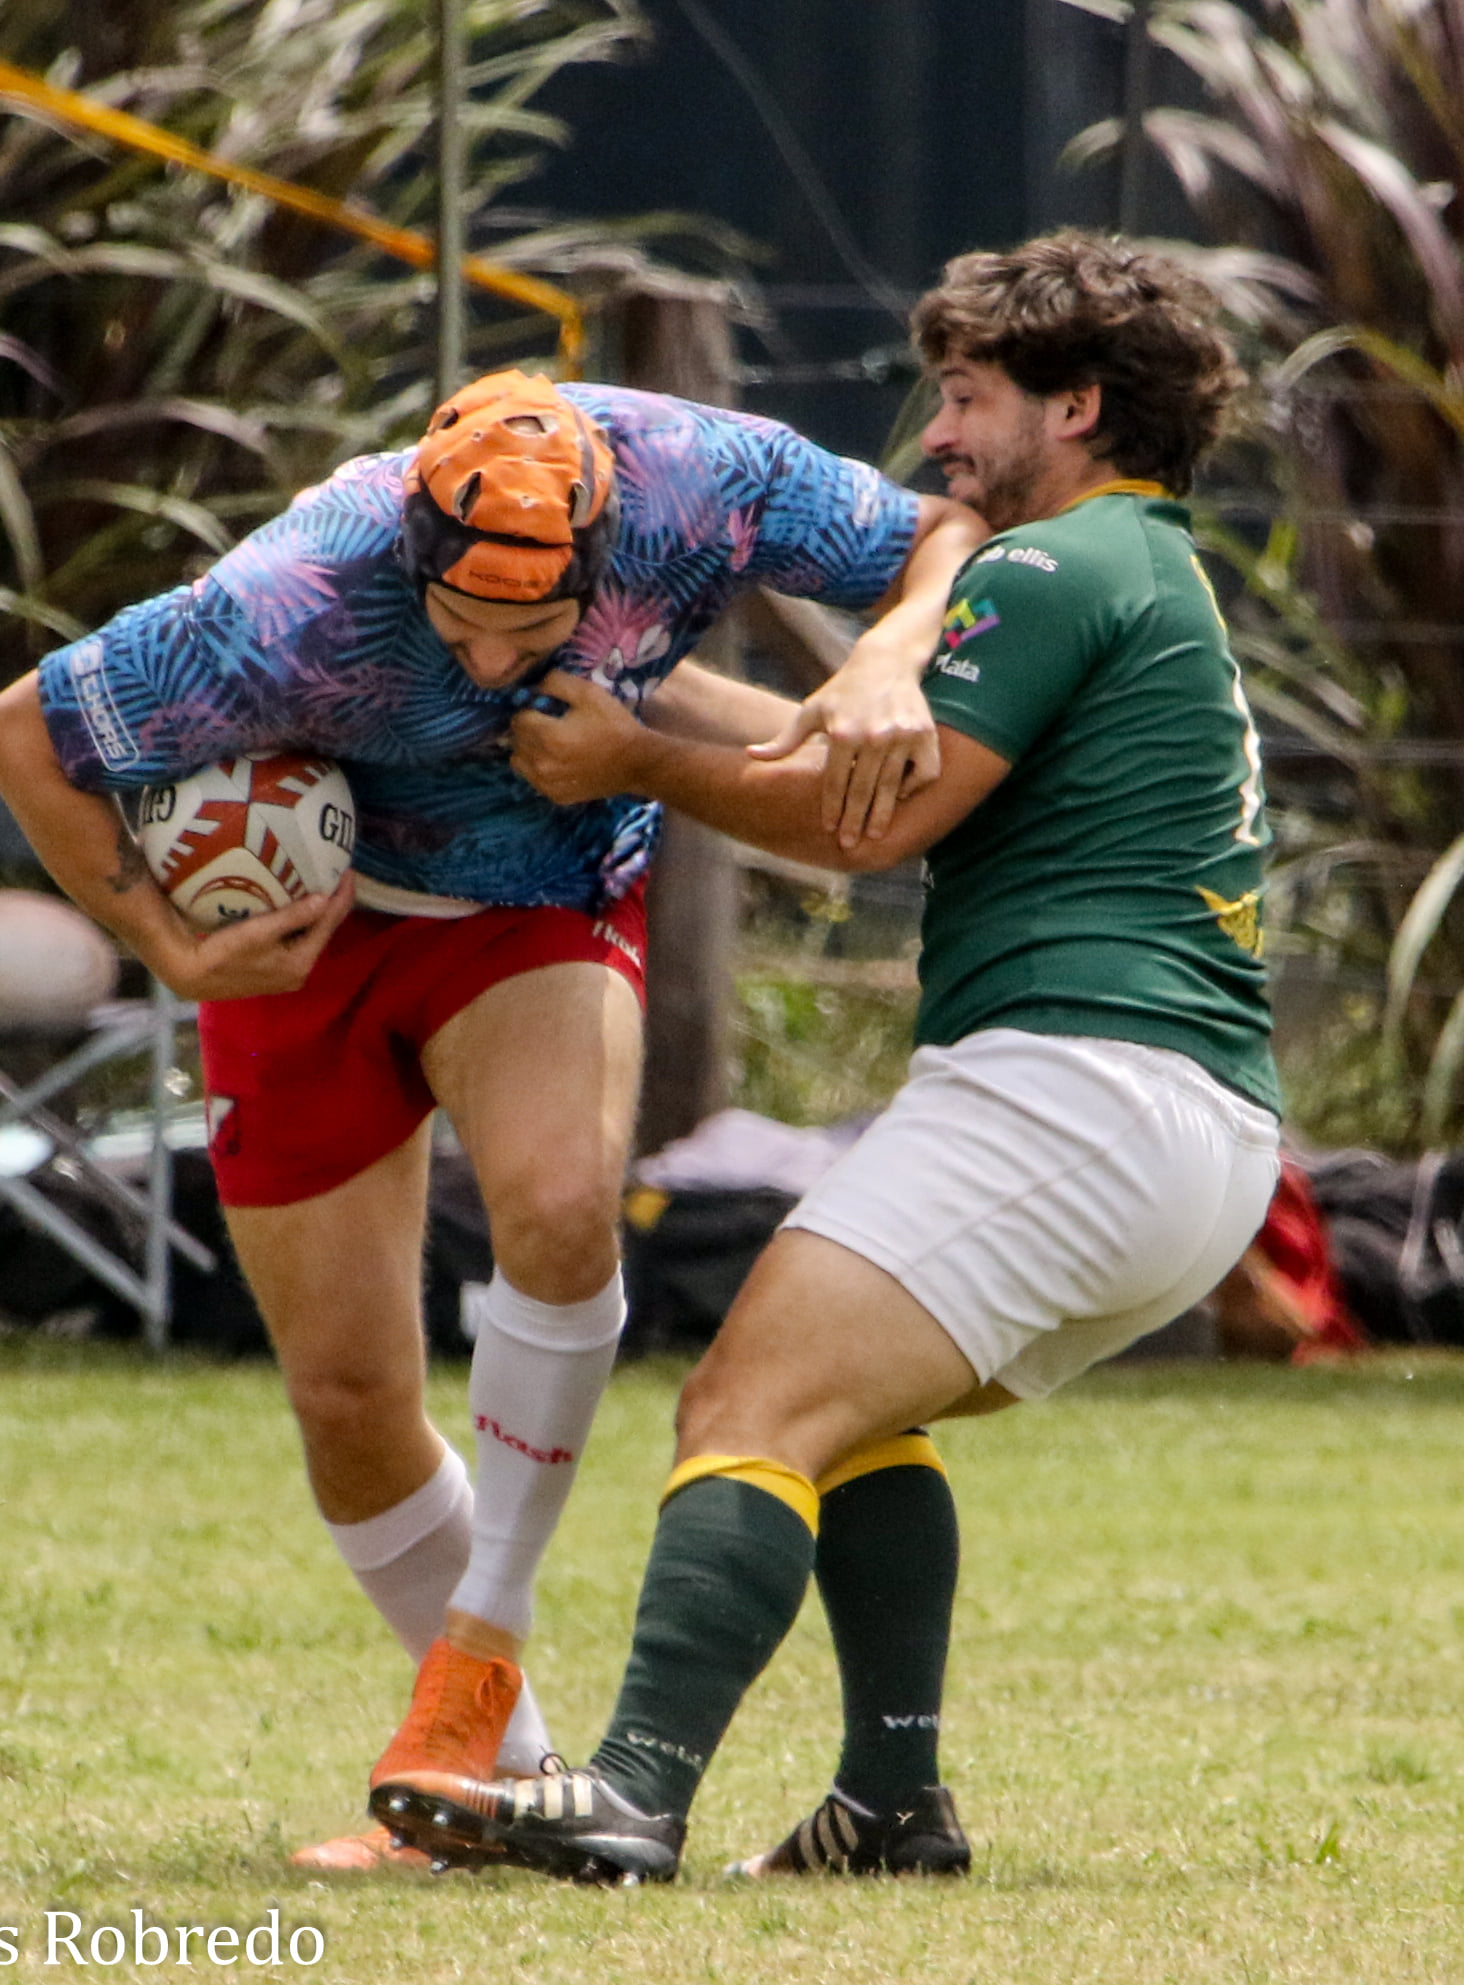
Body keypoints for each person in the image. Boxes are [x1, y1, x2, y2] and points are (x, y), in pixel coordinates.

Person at [0, 367, 987, 1870]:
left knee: (567, 1201)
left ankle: (477, 1649)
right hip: (304, 933)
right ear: (411, 555)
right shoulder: (289, 597)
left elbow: (948, 528)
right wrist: (175, 948)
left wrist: (896, 645)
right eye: (470, 625)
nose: (507, 652)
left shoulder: (695, 477)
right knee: (346, 1399)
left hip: (539, 900)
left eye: (541, 622)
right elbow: (21, 736)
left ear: (607, 544)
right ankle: (490, 1783)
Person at [372, 231, 1284, 1884]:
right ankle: (891, 1802)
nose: (936, 439)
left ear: (1075, 407)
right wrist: (648, 694)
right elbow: (821, 741)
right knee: (854, 1420)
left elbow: (868, 813)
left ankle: (633, 1791)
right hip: (1185, 1132)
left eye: (965, 398)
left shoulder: (1050, 571)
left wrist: (629, 758)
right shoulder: (1146, 570)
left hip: (1075, 1085)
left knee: (745, 1401)